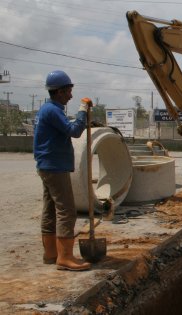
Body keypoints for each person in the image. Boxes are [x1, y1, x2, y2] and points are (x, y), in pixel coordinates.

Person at [34, 70, 91, 271]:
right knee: (67, 210)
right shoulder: (53, 111)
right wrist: (83, 110)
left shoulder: (47, 110)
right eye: (68, 91)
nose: (71, 95)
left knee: (50, 209)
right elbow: (74, 131)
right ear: (58, 91)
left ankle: (51, 253)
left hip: (47, 165)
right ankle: (65, 257)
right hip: (55, 167)